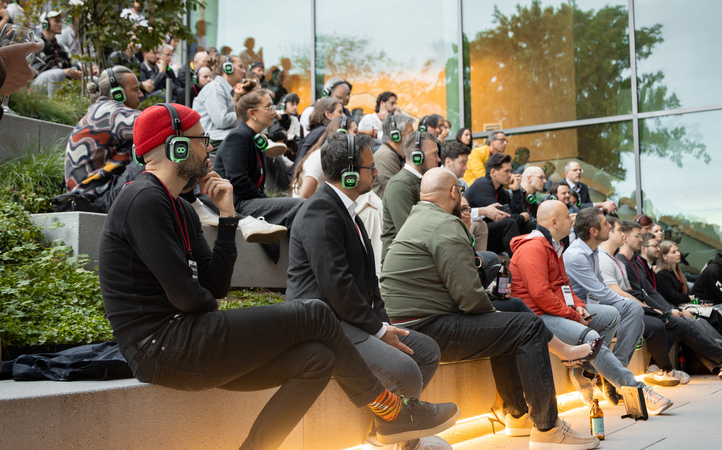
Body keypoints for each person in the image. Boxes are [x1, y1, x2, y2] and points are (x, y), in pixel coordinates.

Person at [99, 103, 459, 450]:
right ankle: (390, 410)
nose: (209, 148)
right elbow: (187, 297)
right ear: (176, 147)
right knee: (315, 313)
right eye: (201, 140)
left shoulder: (181, 207)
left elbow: (215, 285)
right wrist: (206, 303)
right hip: (161, 347)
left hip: (186, 338)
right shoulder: (143, 200)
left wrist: (228, 218)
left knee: (317, 358)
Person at [382, 168, 601, 450]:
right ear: (453, 193)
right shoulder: (445, 224)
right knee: (528, 327)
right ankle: (548, 429)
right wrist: (493, 313)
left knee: (510, 324)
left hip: (413, 325)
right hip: (429, 327)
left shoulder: (417, 219)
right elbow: (469, 297)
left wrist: (494, 313)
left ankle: (518, 415)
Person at [287, 133, 451, 450]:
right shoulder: (320, 211)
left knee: (426, 352)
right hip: (323, 325)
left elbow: (366, 284)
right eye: (369, 167)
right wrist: (378, 330)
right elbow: (337, 286)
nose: (375, 172)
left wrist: (383, 322)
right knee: (405, 370)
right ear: (349, 173)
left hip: (347, 319)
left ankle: (387, 430)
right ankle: (405, 438)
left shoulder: (346, 210)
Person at [509, 200, 675, 413]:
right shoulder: (533, 247)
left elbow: (564, 285)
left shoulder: (554, 246)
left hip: (554, 311)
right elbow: (540, 296)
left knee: (612, 315)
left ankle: (587, 371)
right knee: (591, 338)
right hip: (537, 317)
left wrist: (579, 306)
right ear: (554, 222)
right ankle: (637, 390)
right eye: (567, 216)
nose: (572, 220)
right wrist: (573, 315)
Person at [618, 229, 722, 378]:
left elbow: (650, 294)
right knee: (691, 323)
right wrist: (669, 310)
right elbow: (644, 295)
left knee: (699, 322)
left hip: (662, 309)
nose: (658, 248)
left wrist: (670, 309)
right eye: (655, 245)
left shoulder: (637, 265)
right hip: (649, 311)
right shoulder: (636, 265)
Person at [596, 217, 686, 387]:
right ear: (610, 233)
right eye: (621, 231)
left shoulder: (617, 260)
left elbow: (633, 291)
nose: (639, 239)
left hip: (626, 308)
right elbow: (617, 292)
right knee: (656, 323)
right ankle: (625, 373)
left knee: (667, 321)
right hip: (612, 309)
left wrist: (653, 309)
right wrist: (649, 309)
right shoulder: (604, 258)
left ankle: (630, 371)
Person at [213, 79, 302, 242]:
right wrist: (265, 199)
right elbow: (238, 182)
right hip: (239, 205)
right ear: (252, 113)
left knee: (304, 206)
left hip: (251, 201)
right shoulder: (238, 136)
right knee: (302, 205)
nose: (273, 112)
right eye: (268, 107)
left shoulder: (254, 137)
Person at [562, 208, 645, 379]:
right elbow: (600, 291)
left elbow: (600, 285)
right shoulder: (576, 255)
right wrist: (626, 303)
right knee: (632, 308)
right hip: (579, 308)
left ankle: (615, 368)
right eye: (606, 223)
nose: (609, 226)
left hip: (593, 305)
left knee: (638, 320)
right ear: (593, 231)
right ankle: (613, 371)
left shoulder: (594, 251)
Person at [61, 67, 143, 212]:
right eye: (135, 89)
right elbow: (161, 124)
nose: (141, 94)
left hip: (90, 197)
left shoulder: (100, 109)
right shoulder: (111, 112)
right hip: (96, 199)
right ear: (118, 94)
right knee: (159, 153)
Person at [655, 239, 722, 356]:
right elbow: (675, 297)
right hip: (675, 309)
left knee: (714, 313)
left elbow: (683, 296)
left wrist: (698, 303)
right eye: (673, 252)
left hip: (685, 306)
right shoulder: (662, 274)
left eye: (678, 251)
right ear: (664, 256)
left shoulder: (677, 272)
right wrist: (691, 299)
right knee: (714, 315)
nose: (678, 254)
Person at [380, 131, 441, 263]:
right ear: (417, 156)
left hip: (415, 257)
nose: (438, 159)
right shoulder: (400, 185)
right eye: (435, 154)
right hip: (401, 262)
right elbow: (409, 233)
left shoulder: (420, 181)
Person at [465, 153, 535, 256]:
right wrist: (521, 218)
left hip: (493, 233)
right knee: (509, 223)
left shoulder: (500, 190)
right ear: (493, 172)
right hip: (476, 235)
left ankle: (531, 256)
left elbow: (516, 212)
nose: (510, 174)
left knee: (529, 225)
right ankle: (519, 260)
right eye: (506, 171)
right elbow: (500, 216)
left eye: (510, 171)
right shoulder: (482, 185)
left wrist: (515, 189)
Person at [291, 116, 357, 198]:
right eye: (355, 132)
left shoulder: (339, 156)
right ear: (342, 134)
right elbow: (304, 196)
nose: (357, 136)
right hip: (309, 204)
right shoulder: (319, 157)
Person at [193, 54, 245, 149]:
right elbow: (222, 121)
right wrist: (244, 114)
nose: (244, 71)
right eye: (240, 67)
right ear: (228, 68)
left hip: (222, 138)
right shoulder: (215, 88)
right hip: (213, 140)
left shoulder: (225, 89)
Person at [31, 11, 81, 95]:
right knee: (58, 73)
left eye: (60, 21)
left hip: (58, 80)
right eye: (56, 21)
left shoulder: (60, 46)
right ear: (45, 24)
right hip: (37, 83)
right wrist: (62, 71)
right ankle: (53, 102)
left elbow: (69, 64)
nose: (60, 24)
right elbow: (35, 66)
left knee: (85, 80)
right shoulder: (36, 43)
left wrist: (74, 71)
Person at [292, 97, 343, 175]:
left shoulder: (318, 131)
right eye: (340, 112)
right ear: (328, 114)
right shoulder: (323, 132)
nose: (344, 115)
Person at [372, 113, 414, 198]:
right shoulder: (386, 156)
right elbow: (398, 192)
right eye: (411, 133)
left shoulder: (394, 154)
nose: (414, 138)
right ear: (396, 135)